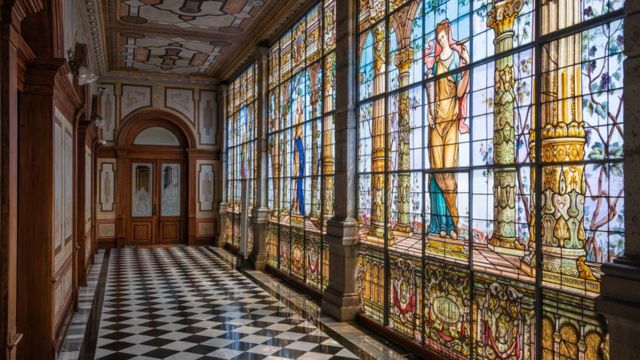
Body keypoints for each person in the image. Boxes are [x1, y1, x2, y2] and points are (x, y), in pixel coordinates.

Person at [425, 19, 470, 240]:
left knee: (448, 172)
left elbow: (460, 91)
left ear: (448, 35)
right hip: (435, 124)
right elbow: (431, 91)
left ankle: (453, 222)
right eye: (438, 38)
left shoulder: (454, 60)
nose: (440, 41)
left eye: (442, 37)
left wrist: (467, 68)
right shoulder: (435, 64)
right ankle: (440, 224)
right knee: (435, 173)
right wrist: (429, 113)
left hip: (451, 121)